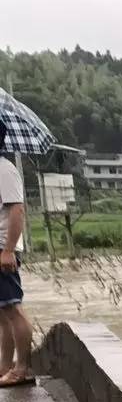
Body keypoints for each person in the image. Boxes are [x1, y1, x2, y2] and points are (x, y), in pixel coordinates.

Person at [0, 120, 33, 388]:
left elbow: (17, 210)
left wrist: (9, 250)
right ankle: (5, 365)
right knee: (3, 312)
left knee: (13, 308)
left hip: (2, 249)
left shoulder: (5, 169)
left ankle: (21, 368)